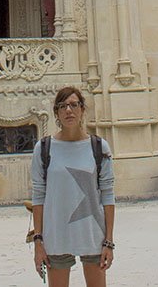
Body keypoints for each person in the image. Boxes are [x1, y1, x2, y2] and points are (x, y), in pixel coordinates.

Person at [31, 86, 115, 286]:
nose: (68, 110)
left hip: (93, 234)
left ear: (82, 109)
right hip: (56, 235)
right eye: (63, 106)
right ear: (57, 113)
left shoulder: (99, 147)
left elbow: (108, 195)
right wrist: (38, 243)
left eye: (74, 105)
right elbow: (38, 196)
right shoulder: (43, 148)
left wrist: (109, 242)